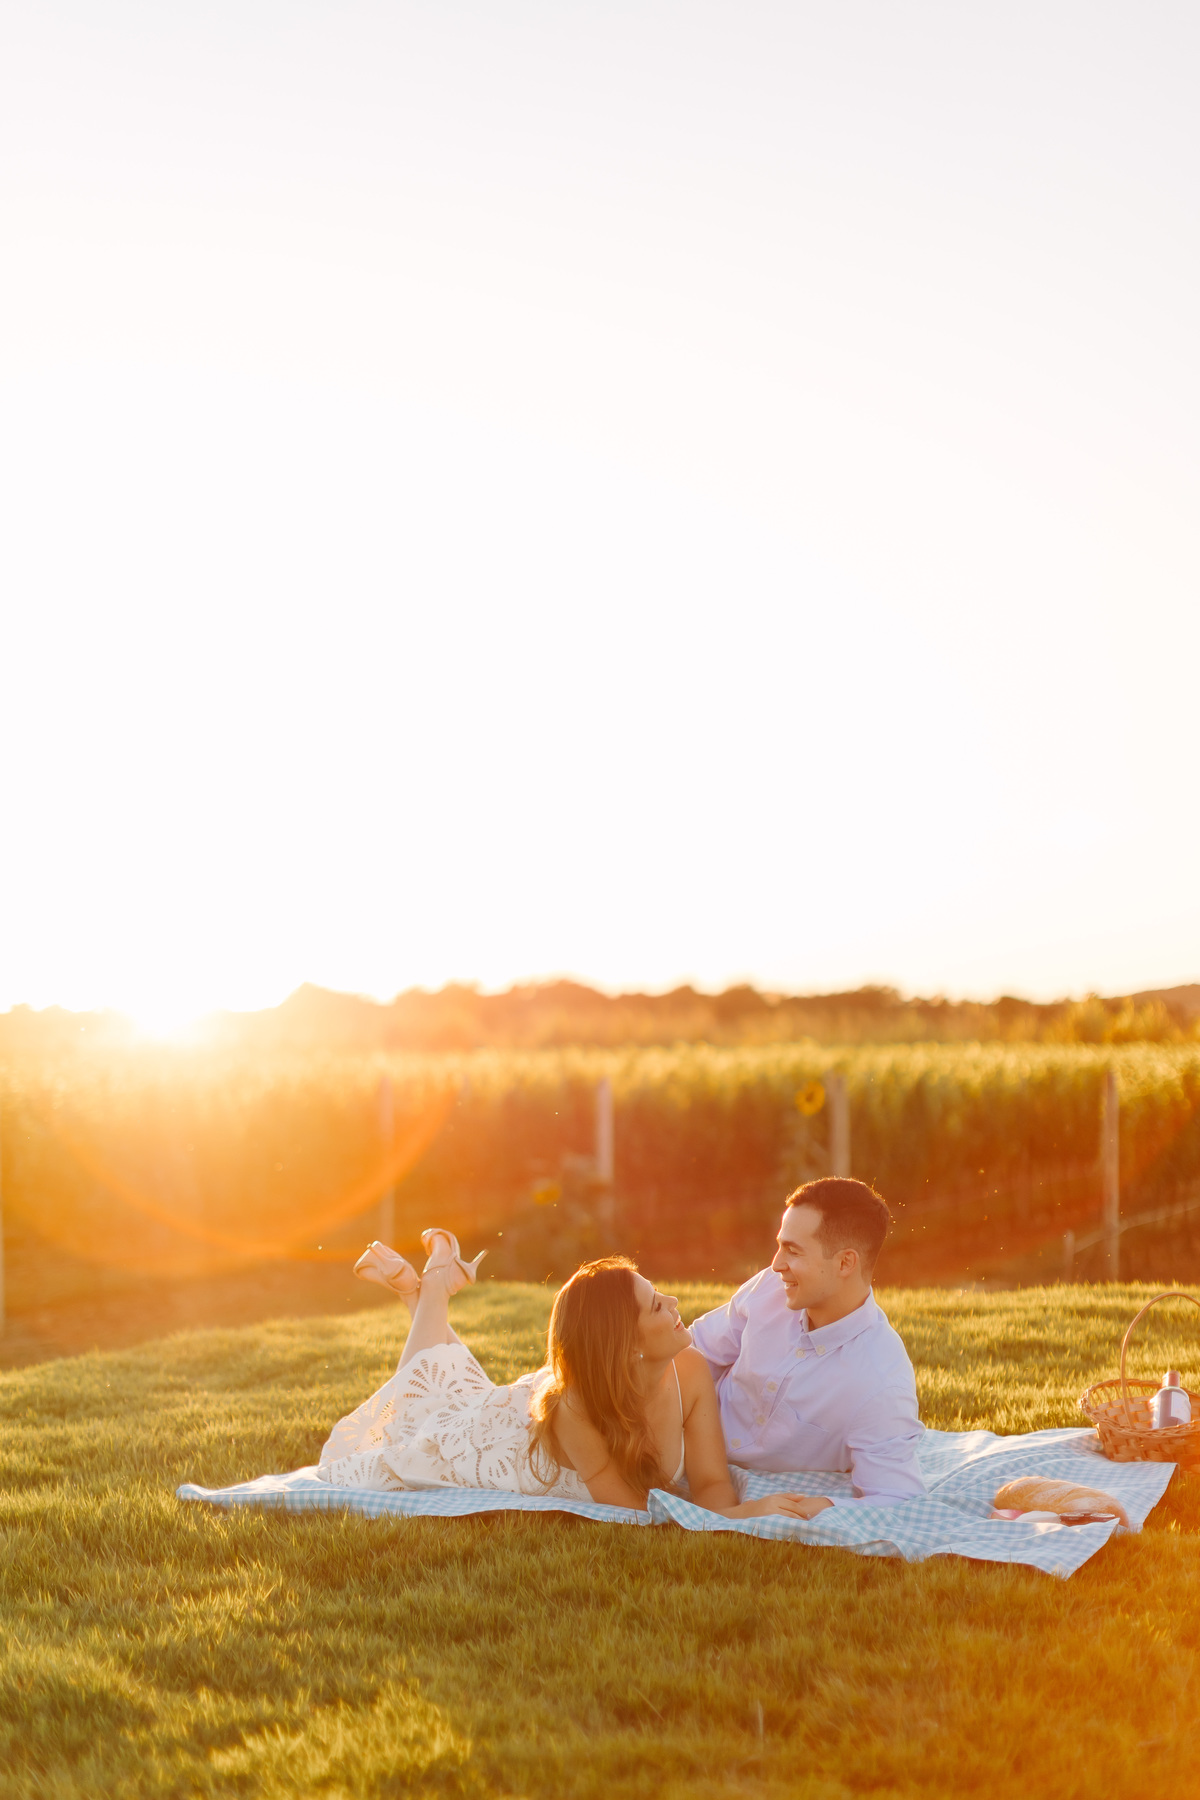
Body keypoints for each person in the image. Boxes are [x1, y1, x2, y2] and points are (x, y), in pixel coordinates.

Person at [319, 1231, 820, 1517]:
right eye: (654, 1307)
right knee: (421, 1413)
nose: (673, 1304)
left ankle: (424, 1292)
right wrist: (744, 1516)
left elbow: (711, 1481)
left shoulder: (688, 1371)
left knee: (444, 1387)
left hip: (524, 1403)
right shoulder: (573, 1409)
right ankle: (430, 1289)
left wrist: (733, 1517)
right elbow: (632, 1512)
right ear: (625, 1347)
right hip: (497, 1442)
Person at [689, 1177, 925, 1512]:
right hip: (687, 1436)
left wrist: (823, 1507)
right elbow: (695, 1351)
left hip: (729, 1481)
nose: (775, 1264)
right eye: (780, 1245)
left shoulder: (881, 1380)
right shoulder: (771, 1288)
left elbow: (898, 1498)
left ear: (845, 1263)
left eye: (793, 1251)